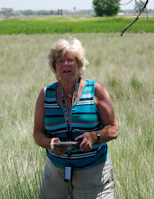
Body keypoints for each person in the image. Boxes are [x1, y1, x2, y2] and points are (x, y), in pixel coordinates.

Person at [33, 37, 118, 199]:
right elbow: (37, 133)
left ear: (79, 64)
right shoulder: (46, 94)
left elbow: (113, 129)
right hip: (56, 173)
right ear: (54, 66)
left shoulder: (95, 90)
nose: (65, 64)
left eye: (70, 60)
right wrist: (50, 144)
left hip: (93, 171)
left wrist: (94, 136)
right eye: (60, 60)